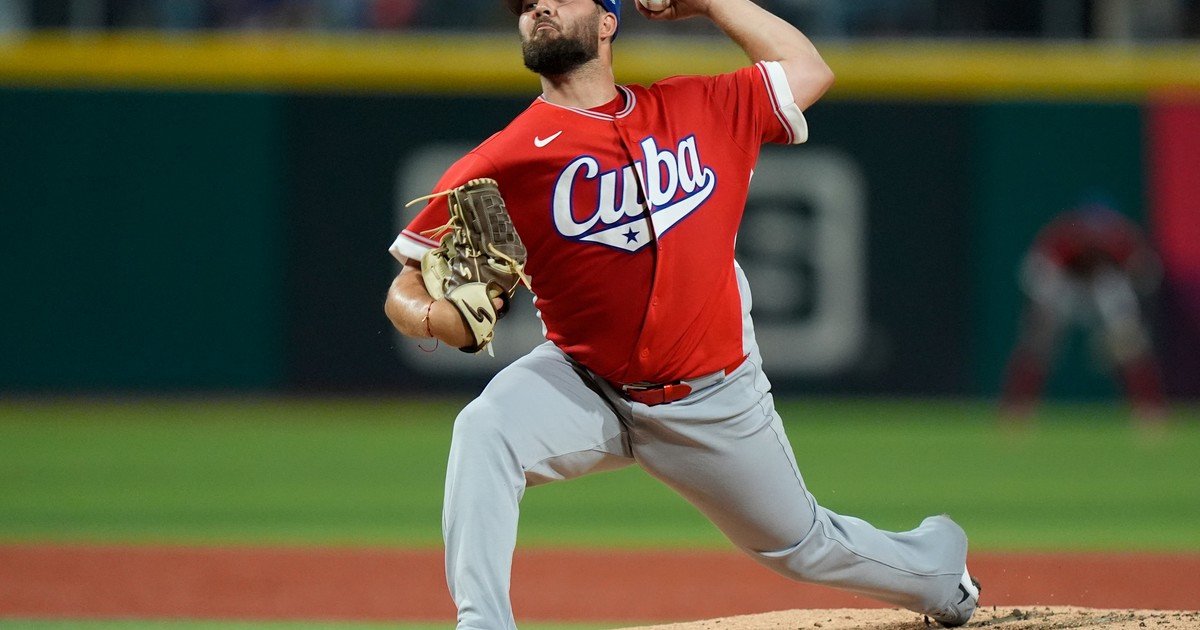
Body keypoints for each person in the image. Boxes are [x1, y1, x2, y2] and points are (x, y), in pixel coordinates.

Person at [383, 0, 980, 627]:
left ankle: (937, 572)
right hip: (585, 383)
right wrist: (429, 318)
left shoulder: (699, 107)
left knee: (802, 546)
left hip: (710, 394)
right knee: (486, 431)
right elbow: (405, 286)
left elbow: (809, 69)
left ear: (608, 20)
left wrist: (710, 1)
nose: (537, 5)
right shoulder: (501, 162)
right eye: (526, 2)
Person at [1001, 202, 1166, 422]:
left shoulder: (1120, 238)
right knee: (1038, 343)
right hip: (1068, 286)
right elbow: (1035, 272)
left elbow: (1146, 274)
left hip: (1105, 285)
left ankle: (1149, 410)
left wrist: (1127, 317)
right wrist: (1043, 309)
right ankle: (1017, 409)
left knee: (1130, 343)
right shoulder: (1064, 237)